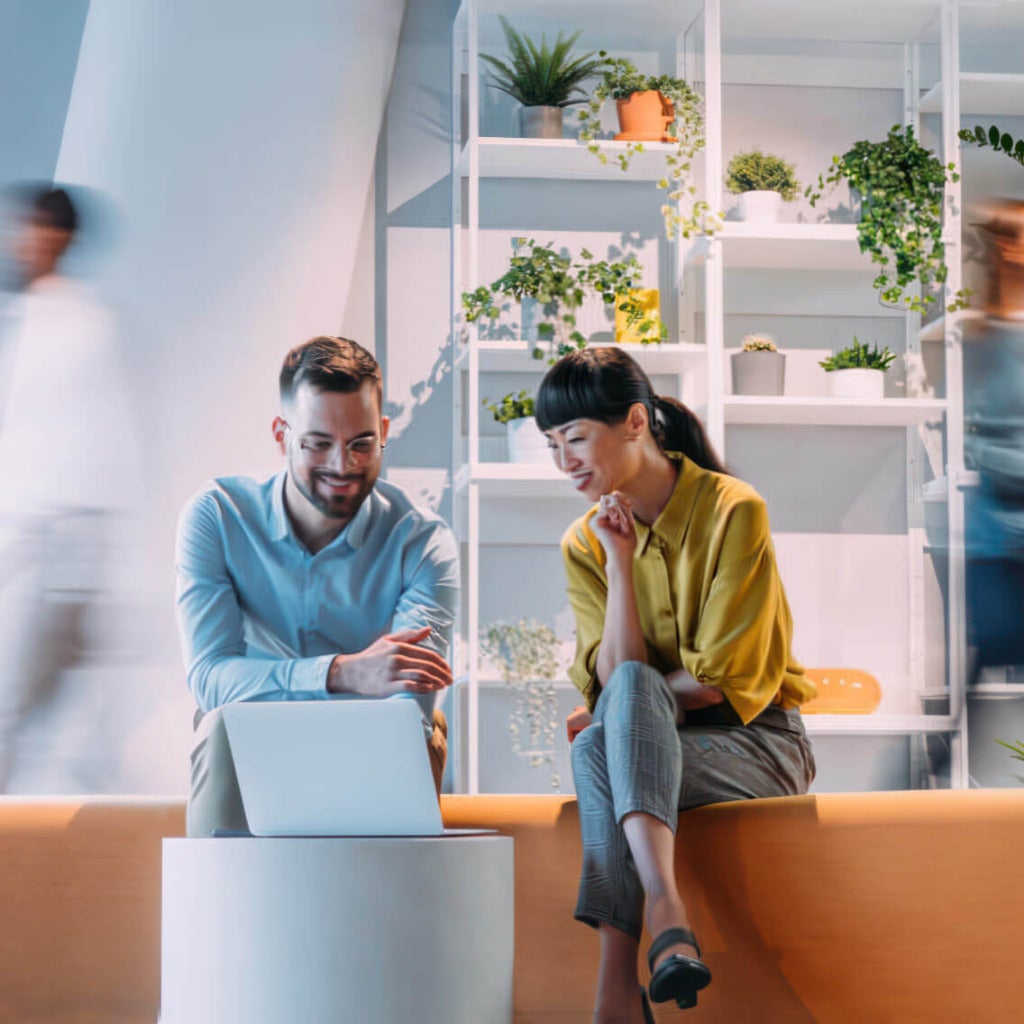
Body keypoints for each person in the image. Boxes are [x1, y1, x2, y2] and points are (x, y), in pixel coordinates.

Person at [535, 347, 816, 1022]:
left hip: (758, 747)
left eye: (575, 438)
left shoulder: (732, 510)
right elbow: (613, 682)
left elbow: (720, 683)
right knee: (613, 721)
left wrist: (628, 710)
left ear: (635, 421)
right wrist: (621, 563)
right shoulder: (585, 542)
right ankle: (666, 932)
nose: (563, 460)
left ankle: (618, 981)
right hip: (665, 751)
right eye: (551, 445)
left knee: (606, 736)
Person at [176, 335, 458, 837]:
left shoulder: (423, 542)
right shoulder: (218, 516)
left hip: (376, 745)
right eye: (318, 443)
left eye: (361, 444)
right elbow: (211, 679)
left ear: (384, 432)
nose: (342, 466)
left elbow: (406, 708)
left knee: (417, 737)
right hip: (250, 740)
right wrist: (341, 674)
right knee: (221, 725)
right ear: (282, 433)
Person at [0, 184, 133, 791]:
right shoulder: (23, 317)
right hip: (36, 543)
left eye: (28, 228)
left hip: (55, 545)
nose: (18, 241)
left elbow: (95, 441)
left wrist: (81, 563)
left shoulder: (82, 326)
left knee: (24, 703)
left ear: (57, 237)